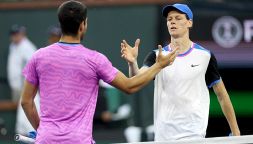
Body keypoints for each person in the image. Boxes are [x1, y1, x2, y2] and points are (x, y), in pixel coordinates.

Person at [20, 1, 178, 143]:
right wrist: (159, 66)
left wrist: (42, 130)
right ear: (83, 25)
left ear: (61, 24)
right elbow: (130, 86)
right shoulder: (94, 59)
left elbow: (26, 102)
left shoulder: (38, 56)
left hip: (46, 139)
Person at [120, 3, 240, 141]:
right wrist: (132, 62)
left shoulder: (205, 56)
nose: (172, 21)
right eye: (169, 19)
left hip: (194, 135)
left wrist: (236, 132)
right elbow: (136, 80)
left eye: (178, 18)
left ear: (189, 23)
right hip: (164, 137)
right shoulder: (156, 56)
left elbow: (222, 95)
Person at [6, 24, 40, 135]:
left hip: (27, 86)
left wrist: (29, 86)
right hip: (16, 86)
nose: (15, 36)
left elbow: (34, 69)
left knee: (29, 108)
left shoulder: (27, 47)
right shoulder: (13, 46)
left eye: (17, 33)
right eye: (13, 34)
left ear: (22, 34)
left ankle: (31, 134)